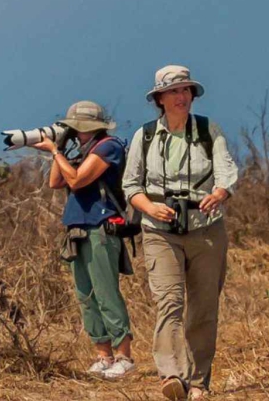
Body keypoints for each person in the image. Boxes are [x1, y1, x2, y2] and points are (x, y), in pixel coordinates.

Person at [122, 66, 239, 401]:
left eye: (186, 90)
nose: (182, 97)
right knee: (169, 302)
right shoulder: (144, 136)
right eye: (174, 91)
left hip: (206, 228)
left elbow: (226, 168)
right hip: (159, 230)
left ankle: (200, 381)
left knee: (203, 307)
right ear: (160, 98)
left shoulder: (207, 129)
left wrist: (220, 193)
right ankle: (172, 376)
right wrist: (149, 207)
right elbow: (131, 184)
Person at [33, 100, 136, 380]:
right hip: (76, 230)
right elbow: (56, 182)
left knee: (105, 293)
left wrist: (55, 150)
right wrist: (61, 149)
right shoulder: (77, 150)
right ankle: (104, 356)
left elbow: (77, 180)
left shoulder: (108, 146)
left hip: (100, 229)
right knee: (86, 296)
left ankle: (124, 356)